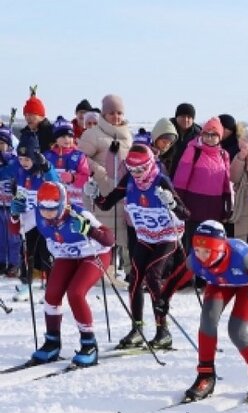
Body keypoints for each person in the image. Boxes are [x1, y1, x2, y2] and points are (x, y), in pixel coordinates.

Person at [88, 144, 190, 349]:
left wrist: (172, 204)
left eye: (141, 170)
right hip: (145, 236)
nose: (136, 175)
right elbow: (107, 204)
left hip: (167, 236)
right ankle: (137, 328)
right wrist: (95, 194)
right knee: (135, 278)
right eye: (132, 170)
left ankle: (163, 330)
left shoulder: (161, 181)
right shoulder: (130, 181)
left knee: (153, 275)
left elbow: (185, 214)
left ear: (150, 165)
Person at [12, 182, 114, 367]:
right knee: (51, 294)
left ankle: (89, 345)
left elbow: (109, 239)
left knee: (76, 293)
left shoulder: (78, 214)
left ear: (63, 204)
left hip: (94, 254)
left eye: (52, 209)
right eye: (43, 208)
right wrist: (14, 215)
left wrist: (88, 230)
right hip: (66, 255)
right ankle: (52, 342)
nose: (47, 214)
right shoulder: (37, 213)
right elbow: (16, 231)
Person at [183, 221, 248, 403]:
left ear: (219, 248)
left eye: (206, 252)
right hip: (221, 281)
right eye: (197, 250)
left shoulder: (242, 257)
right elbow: (178, 276)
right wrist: (163, 297)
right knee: (207, 322)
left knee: (236, 330)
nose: (201, 257)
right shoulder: (194, 259)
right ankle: (206, 376)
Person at [78, 94, 134, 278]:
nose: (116, 117)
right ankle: (100, 270)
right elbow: (80, 159)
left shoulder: (127, 135)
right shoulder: (92, 134)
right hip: (101, 191)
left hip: (122, 192)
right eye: (111, 113)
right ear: (103, 114)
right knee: (103, 231)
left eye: (119, 113)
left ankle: (129, 271)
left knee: (124, 233)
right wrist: (100, 172)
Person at [172, 117, 233, 250]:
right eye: (206, 134)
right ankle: (191, 270)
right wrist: (178, 204)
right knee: (194, 246)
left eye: (214, 135)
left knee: (211, 246)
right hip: (194, 208)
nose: (210, 138)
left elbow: (226, 183)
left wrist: (227, 204)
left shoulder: (223, 155)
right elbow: (181, 179)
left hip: (214, 208)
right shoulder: (193, 151)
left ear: (220, 137)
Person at [10, 135, 60, 301]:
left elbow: (56, 182)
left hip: (45, 218)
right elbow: (19, 192)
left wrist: (46, 166)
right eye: (21, 158)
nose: (24, 162)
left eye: (27, 159)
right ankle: (27, 282)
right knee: (28, 252)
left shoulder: (43, 169)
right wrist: (16, 204)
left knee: (46, 253)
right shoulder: (20, 171)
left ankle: (52, 286)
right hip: (28, 218)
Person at [44, 116, 91, 209]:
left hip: (75, 203)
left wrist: (73, 178)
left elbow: (86, 178)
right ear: (56, 138)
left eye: (70, 136)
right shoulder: (47, 156)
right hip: (53, 204)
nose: (67, 139)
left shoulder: (79, 156)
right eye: (63, 136)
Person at [0, 126, 20, 277]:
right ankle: (1, 262)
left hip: (11, 206)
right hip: (0, 205)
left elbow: (17, 175)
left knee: (13, 236)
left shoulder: (14, 161)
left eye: (2, 142)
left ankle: (14, 263)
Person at [166, 103, 201, 176]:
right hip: (166, 173)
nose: (186, 120)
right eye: (182, 116)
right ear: (176, 117)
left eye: (189, 117)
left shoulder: (198, 135)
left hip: (187, 176)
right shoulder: (166, 130)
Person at [19, 86, 55, 153]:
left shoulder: (51, 133)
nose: (27, 118)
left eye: (31, 115)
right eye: (25, 115)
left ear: (41, 116)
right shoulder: (25, 134)